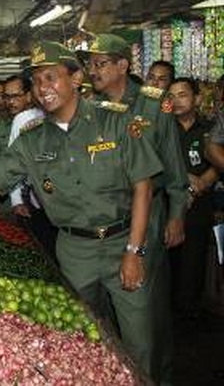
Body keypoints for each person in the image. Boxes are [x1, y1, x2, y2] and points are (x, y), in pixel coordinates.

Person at [0, 41, 164, 382]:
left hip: (122, 243)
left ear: (75, 79)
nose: (43, 88)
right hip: (74, 251)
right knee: (82, 338)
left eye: (50, 77)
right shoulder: (31, 141)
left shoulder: (115, 123)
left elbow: (142, 186)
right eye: (36, 82)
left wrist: (134, 250)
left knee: (138, 342)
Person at [77, 33, 188, 385]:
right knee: (108, 312)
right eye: (90, 64)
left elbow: (173, 166)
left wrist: (176, 215)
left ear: (123, 65)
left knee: (147, 308)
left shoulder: (154, 105)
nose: (93, 70)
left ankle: (156, 377)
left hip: (149, 216)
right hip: (106, 218)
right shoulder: (89, 108)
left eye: (101, 63)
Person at [169, 77, 218, 318]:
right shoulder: (164, 128)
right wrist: (184, 177)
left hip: (200, 204)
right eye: (172, 96)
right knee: (171, 262)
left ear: (197, 98)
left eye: (183, 94)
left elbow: (219, 159)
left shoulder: (211, 126)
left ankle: (190, 313)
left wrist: (205, 181)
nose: (176, 101)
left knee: (195, 261)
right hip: (171, 205)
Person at [2, 74, 57, 260]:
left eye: (15, 96)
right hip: (37, 201)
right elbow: (13, 163)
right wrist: (16, 199)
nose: (43, 90)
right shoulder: (23, 119)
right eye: (7, 97)